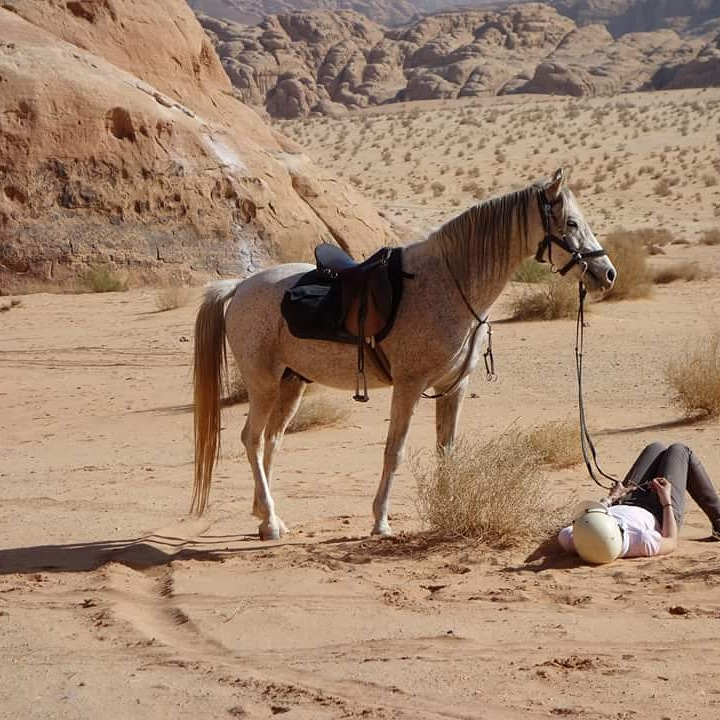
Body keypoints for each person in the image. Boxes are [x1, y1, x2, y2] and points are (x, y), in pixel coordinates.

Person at [559, 442, 720, 561]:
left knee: (655, 448)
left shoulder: (571, 538)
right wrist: (666, 500)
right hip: (660, 512)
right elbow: (671, 541)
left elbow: (589, 520)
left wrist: (611, 498)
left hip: (623, 500)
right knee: (679, 450)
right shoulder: (642, 541)